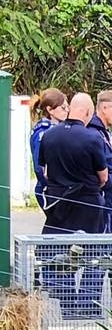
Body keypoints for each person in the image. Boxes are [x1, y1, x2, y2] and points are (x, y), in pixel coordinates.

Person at [37, 91, 108, 234]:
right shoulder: (92, 138)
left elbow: (45, 173)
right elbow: (104, 177)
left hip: (58, 202)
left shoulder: (48, 135)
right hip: (88, 204)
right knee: (89, 252)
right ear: (88, 112)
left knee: (56, 249)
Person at [29, 88, 68, 210]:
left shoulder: (58, 129)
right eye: (62, 108)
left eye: (67, 106)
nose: (67, 110)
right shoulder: (43, 133)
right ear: (50, 110)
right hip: (50, 189)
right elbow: (39, 166)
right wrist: (52, 185)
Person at [90, 90, 112, 232]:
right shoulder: (94, 133)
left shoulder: (104, 132)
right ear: (105, 108)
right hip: (103, 196)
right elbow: (100, 168)